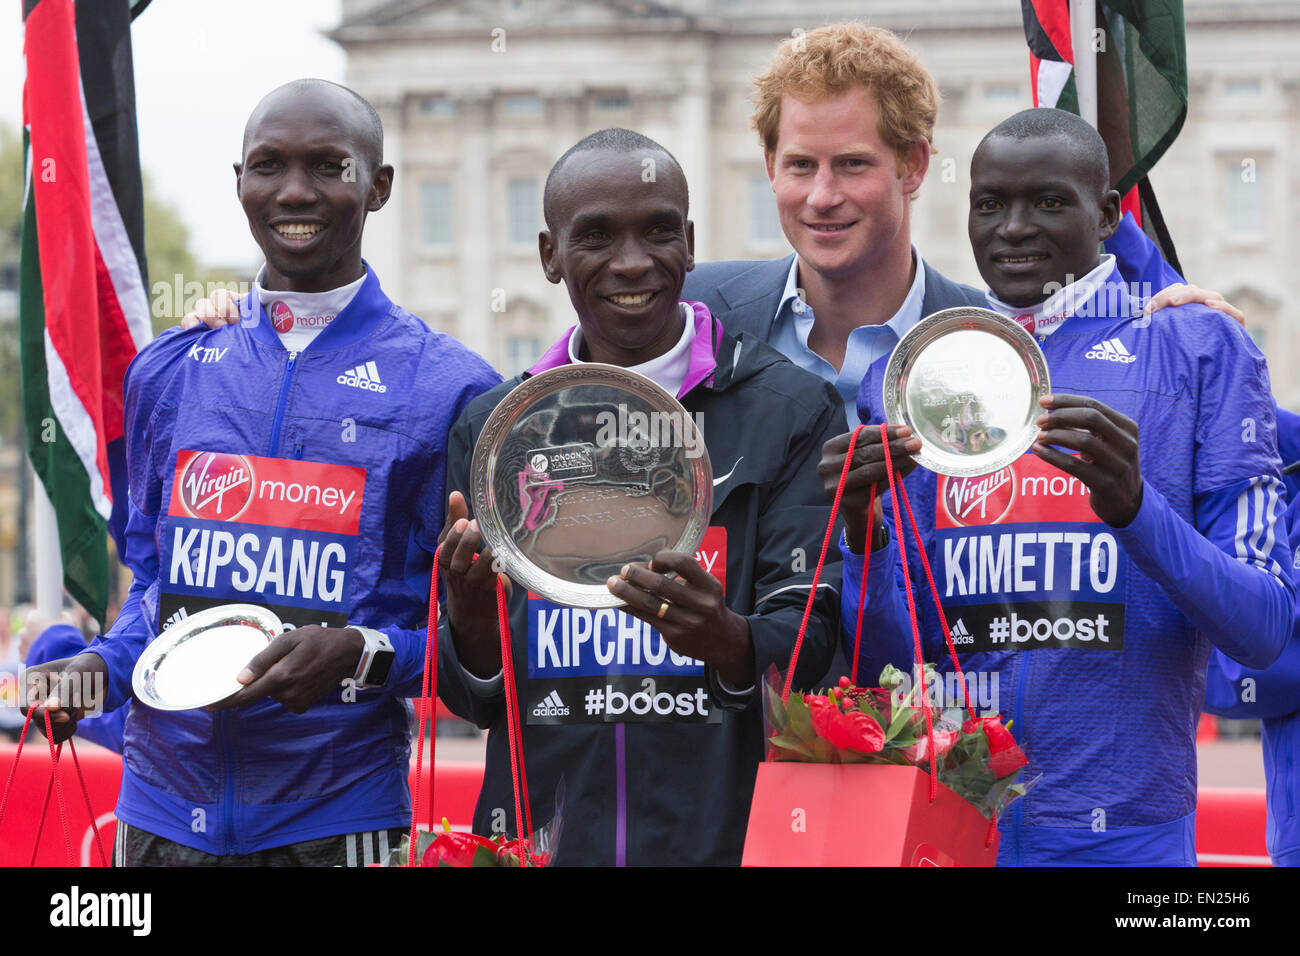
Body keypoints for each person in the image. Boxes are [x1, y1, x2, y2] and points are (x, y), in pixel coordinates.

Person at [24, 79, 500, 866]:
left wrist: (358, 653)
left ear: (377, 185)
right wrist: (97, 668)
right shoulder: (170, 371)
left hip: (335, 817)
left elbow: (474, 657)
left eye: (328, 166)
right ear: (238, 181)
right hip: (157, 817)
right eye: (268, 166)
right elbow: (157, 591)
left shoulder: (451, 387)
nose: (294, 191)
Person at [828, 108, 1293, 865]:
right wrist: (861, 533)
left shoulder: (1199, 346)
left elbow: (1265, 627)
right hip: (949, 827)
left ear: (1107, 213)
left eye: (1048, 202)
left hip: (1126, 838)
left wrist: (1138, 510)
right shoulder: (916, 374)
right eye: (989, 204)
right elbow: (890, 657)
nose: (1012, 229)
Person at [430, 128, 844, 866]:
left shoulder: (791, 408)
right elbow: (478, 704)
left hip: (734, 845)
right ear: (550, 256)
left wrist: (727, 639)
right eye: (595, 236)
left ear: (688, 242)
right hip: (540, 847)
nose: (632, 262)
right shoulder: (495, 430)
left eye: (657, 231)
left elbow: (814, 649)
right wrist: (467, 626)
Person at [681, 23, 983, 429]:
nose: (822, 197)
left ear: (913, 165)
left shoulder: (996, 342)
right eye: (801, 165)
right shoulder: (690, 314)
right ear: (771, 167)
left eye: (852, 164)